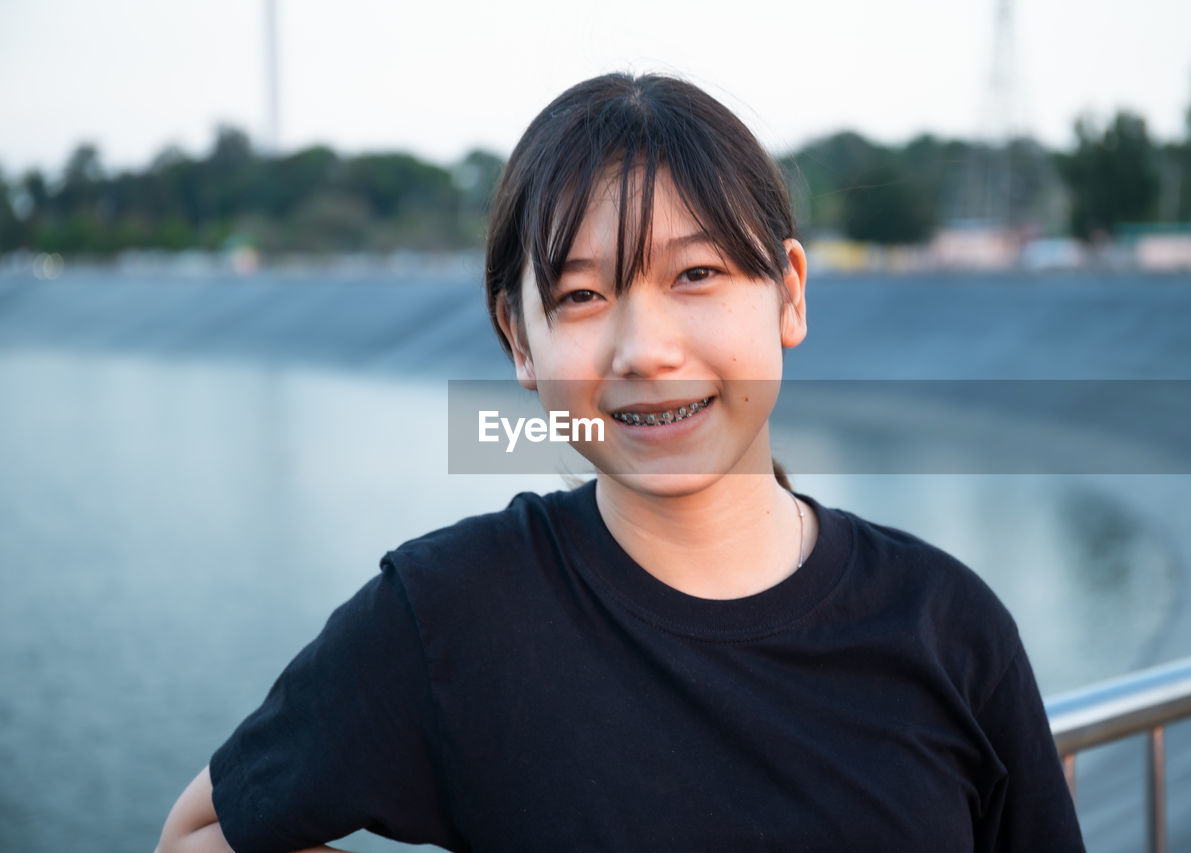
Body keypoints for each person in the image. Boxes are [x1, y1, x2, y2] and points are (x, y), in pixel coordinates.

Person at [156, 72, 1085, 853]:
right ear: (518, 339)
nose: (646, 349)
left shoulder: (947, 626)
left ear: (788, 294)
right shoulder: (451, 615)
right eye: (585, 293)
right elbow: (196, 834)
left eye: (696, 274)